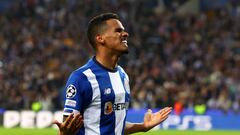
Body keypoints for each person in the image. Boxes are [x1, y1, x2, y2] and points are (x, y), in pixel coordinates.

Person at [53, 13, 172, 135]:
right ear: (100, 38)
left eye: (124, 31)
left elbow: (113, 125)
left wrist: (143, 126)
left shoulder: (123, 76)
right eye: (118, 31)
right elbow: (67, 128)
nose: (125, 34)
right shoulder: (82, 78)